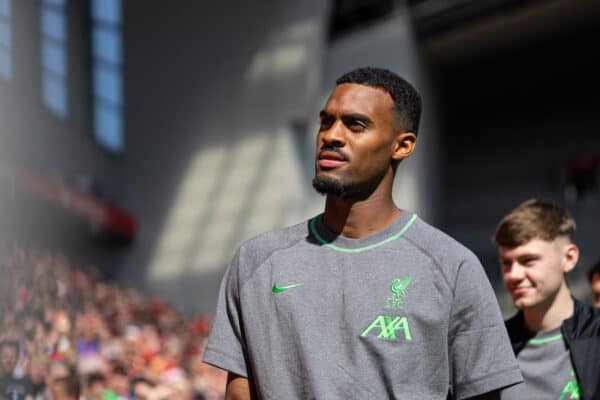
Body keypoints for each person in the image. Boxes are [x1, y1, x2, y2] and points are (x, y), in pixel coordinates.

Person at [203, 66, 522, 399]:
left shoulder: (452, 266)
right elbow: (240, 389)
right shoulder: (256, 260)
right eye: (326, 121)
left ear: (403, 146)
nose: (331, 135)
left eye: (355, 125)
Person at [494, 199, 600, 399]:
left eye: (528, 261)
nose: (514, 275)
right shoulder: (492, 347)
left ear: (568, 259)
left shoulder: (595, 335)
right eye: (506, 263)